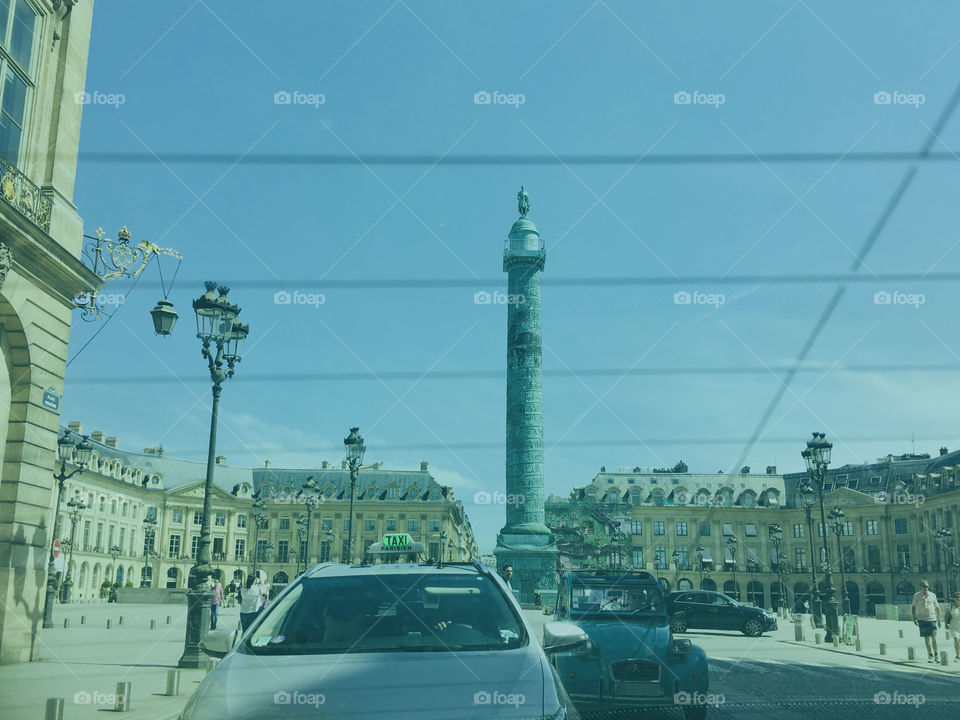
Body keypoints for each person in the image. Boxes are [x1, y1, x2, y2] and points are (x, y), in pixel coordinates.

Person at [911, 579, 942, 663]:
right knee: (926, 638)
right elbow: (913, 607)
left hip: (932, 618)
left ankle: (936, 655)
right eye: (924, 586)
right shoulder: (917, 595)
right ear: (921, 587)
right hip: (922, 619)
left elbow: (937, 608)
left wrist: (939, 620)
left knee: (934, 637)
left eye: (927, 586)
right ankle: (930, 655)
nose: (925, 588)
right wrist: (914, 617)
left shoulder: (932, 595)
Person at [946, 592, 960, 662]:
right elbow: (946, 615)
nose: (958, 598)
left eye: (959, 597)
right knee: (956, 639)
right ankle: (957, 656)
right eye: (957, 597)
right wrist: (946, 624)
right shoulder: (951, 605)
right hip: (954, 624)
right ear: (954, 598)